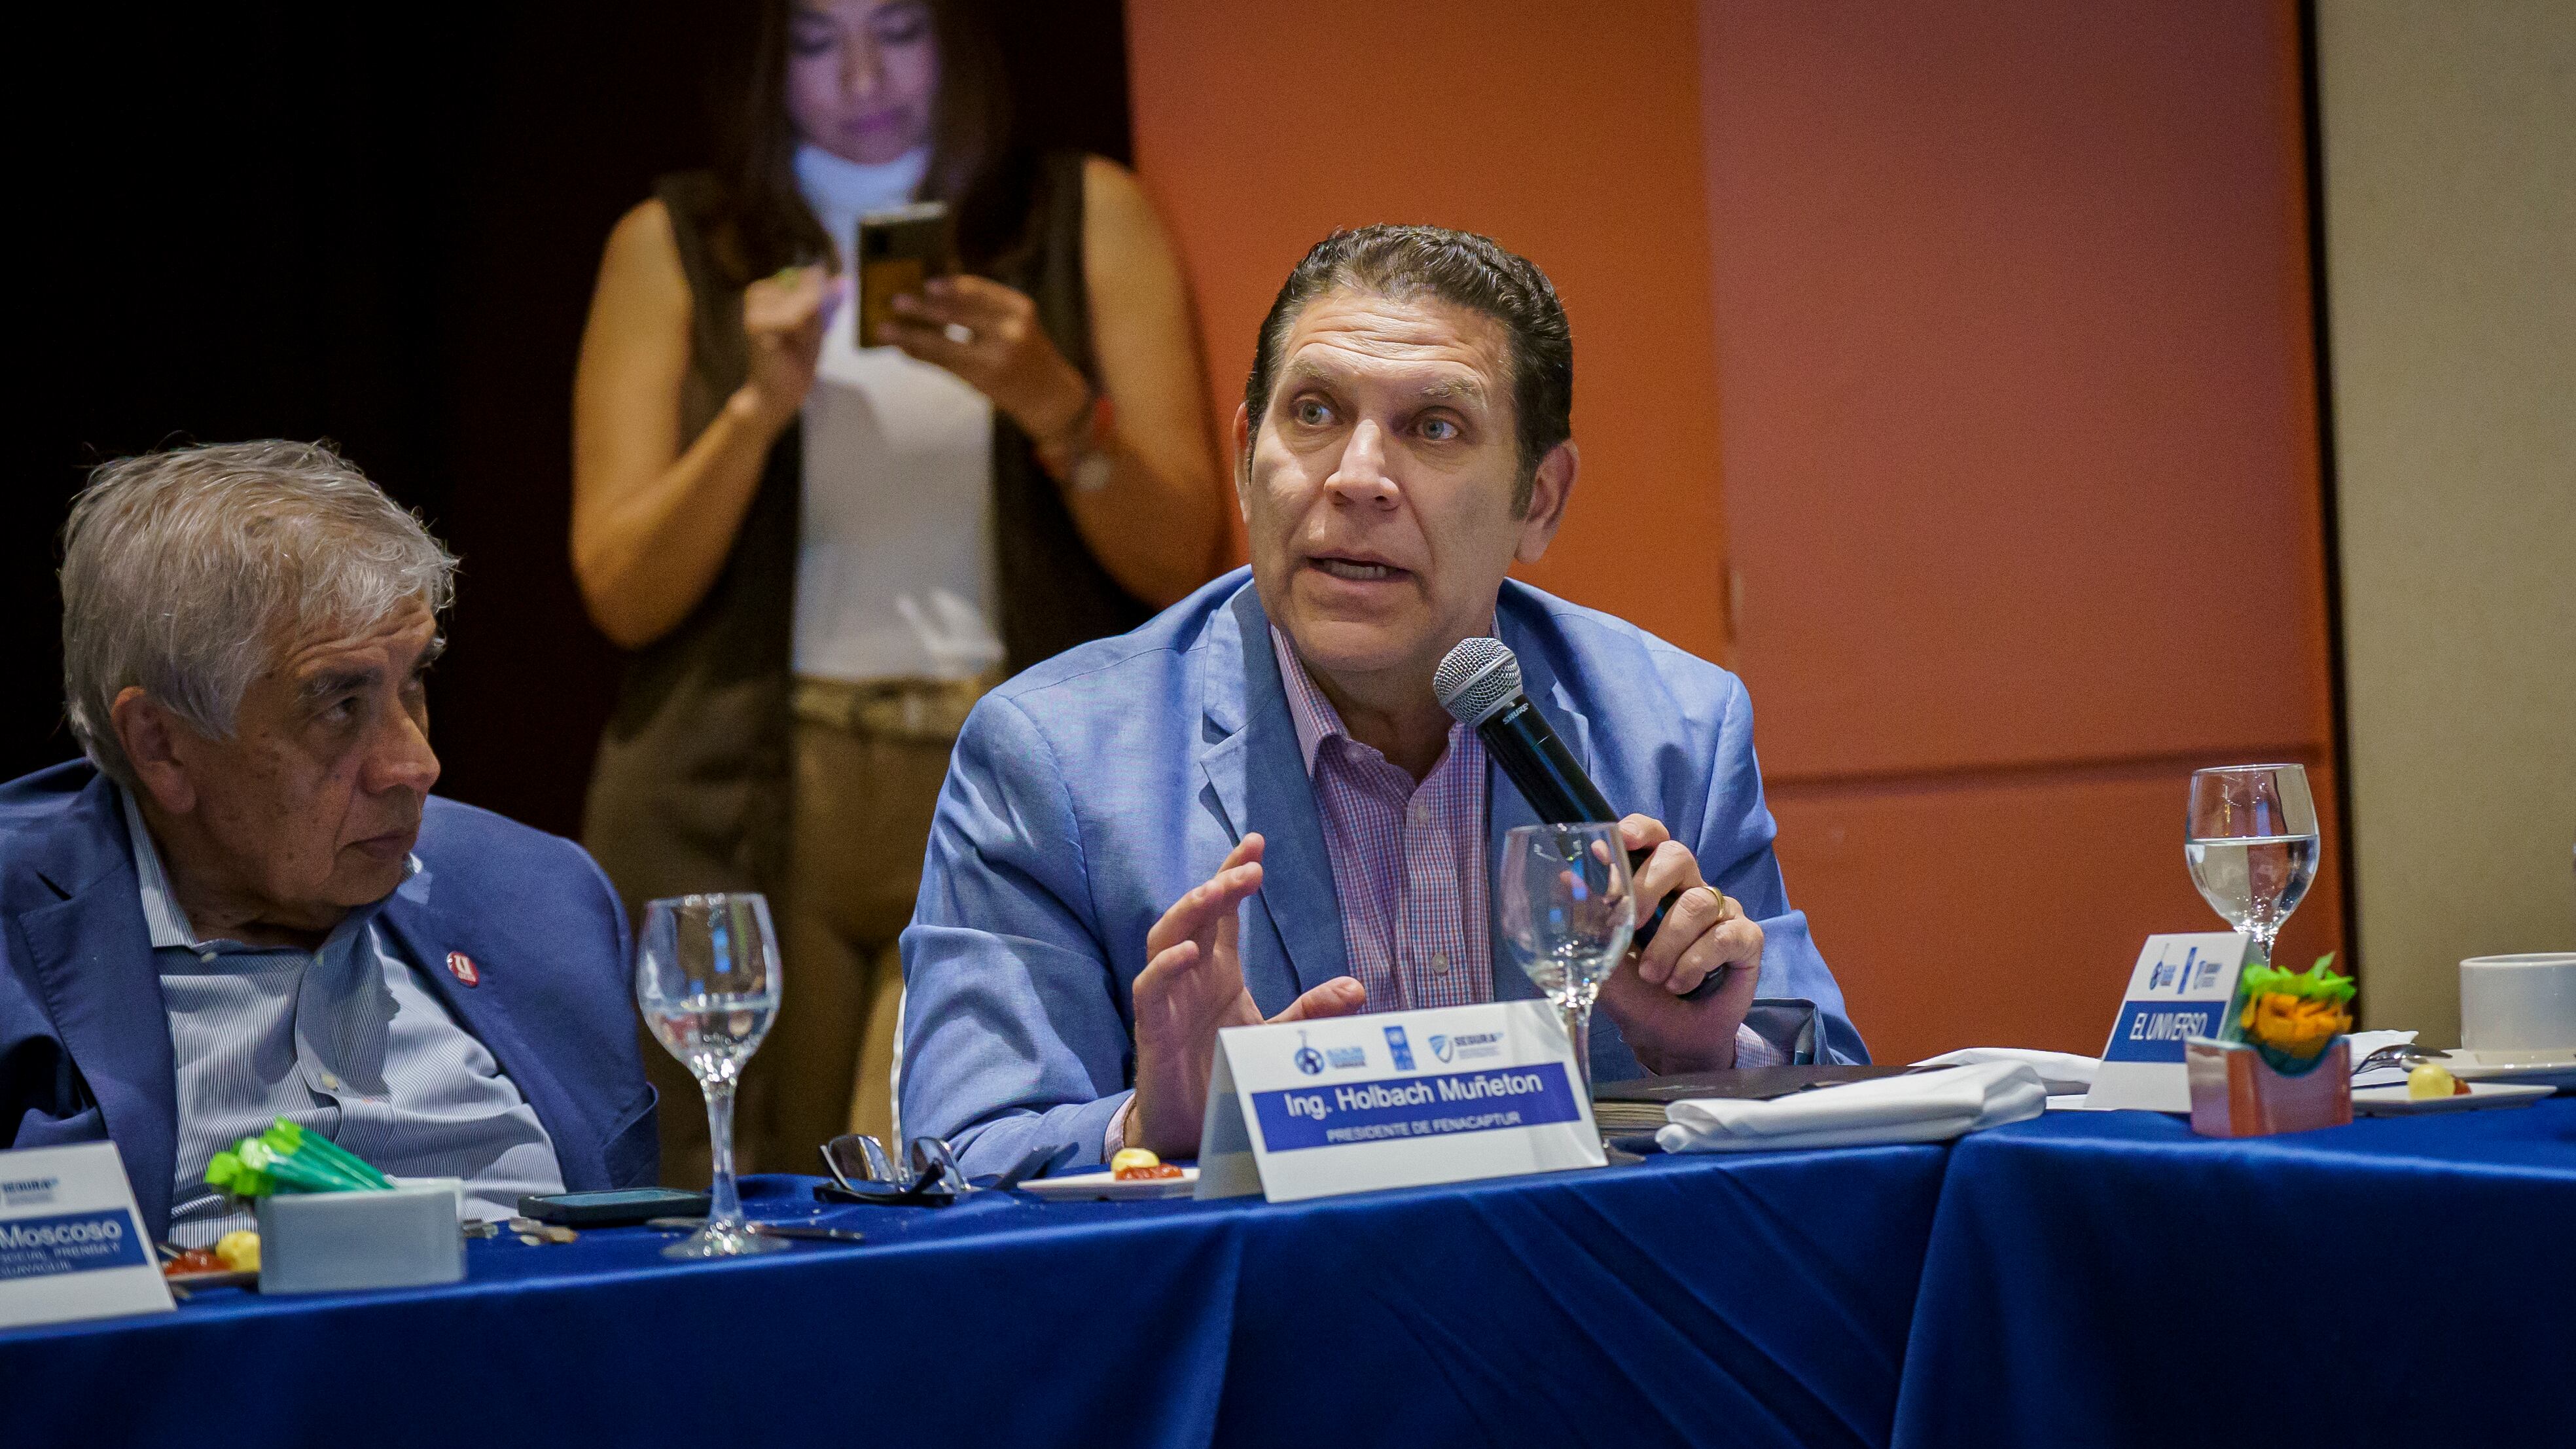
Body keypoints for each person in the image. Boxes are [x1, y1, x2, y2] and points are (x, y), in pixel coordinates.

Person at [902, 225, 1867, 1174]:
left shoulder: (1673, 732)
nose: (1357, 477)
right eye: (1314, 414)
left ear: (1539, 498)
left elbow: (1854, 1118)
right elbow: (955, 1157)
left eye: (1434, 427)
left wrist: (1701, 1059)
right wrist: (1149, 1125)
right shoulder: (1055, 759)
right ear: (1246, 458)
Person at [573, 0, 1225, 1173]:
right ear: (770, 61)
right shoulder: (674, 243)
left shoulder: (1082, 215)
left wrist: (1051, 402)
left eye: (900, 31)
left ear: (960, 42)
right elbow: (622, 590)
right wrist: (754, 411)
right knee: (742, 1168)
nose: (863, 77)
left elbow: (1180, 557)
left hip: (1002, 767)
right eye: (819, 43)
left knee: (955, 1158)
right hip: (752, 784)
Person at [0, 442, 658, 1242]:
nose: (417, 764)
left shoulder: (540, 896)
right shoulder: (19, 931)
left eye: (413, 682)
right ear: (162, 745)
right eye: (340, 705)